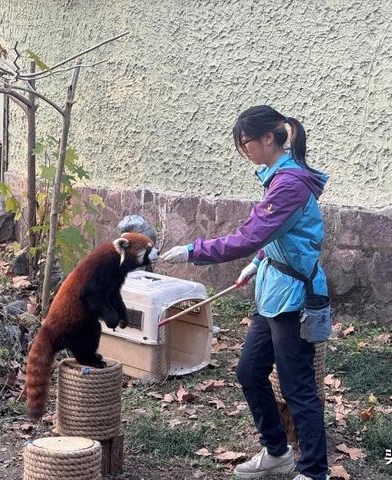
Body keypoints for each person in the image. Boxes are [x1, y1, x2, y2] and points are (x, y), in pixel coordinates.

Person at [160, 105, 330, 480]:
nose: (244, 151)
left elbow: (249, 235)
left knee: (297, 387)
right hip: (273, 291)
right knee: (249, 371)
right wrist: (259, 261)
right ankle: (277, 453)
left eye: (246, 143)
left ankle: (315, 472)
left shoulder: (289, 184)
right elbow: (278, 235)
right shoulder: (278, 178)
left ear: (268, 138)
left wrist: (193, 251)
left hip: (294, 299)